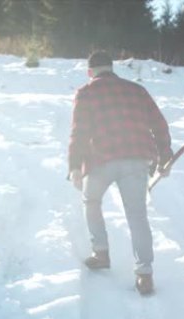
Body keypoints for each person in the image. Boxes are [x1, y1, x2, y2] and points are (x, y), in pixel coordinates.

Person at [68, 51, 172, 295]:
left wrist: (74, 166)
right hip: (136, 159)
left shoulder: (86, 93)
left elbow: (79, 133)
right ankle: (145, 275)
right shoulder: (137, 91)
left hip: (100, 160)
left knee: (91, 201)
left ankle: (101, 252)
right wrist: (164, 157)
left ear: (90, 72)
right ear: (112, 68)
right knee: (137, 216)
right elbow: (159, 124)